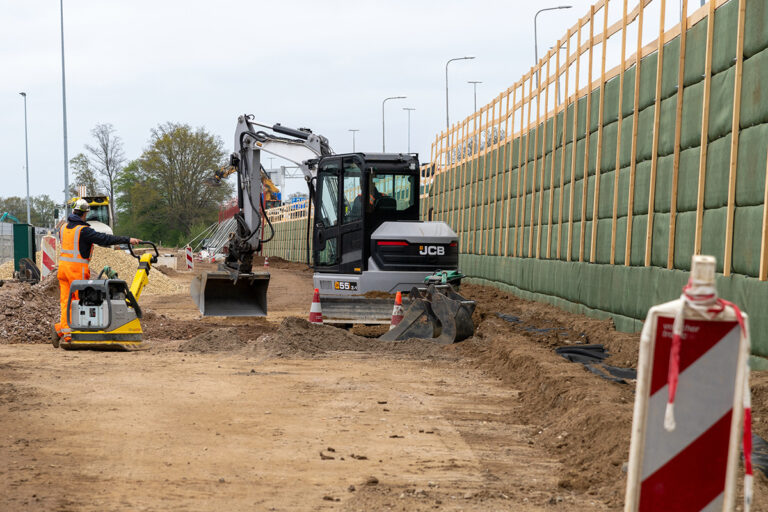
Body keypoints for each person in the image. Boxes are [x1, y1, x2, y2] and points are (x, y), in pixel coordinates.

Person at [52, 198, 140, 347]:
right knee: (81, 303)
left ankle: (64, 333)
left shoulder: (63, 228)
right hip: (76, 271)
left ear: (73, 211)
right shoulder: (83, 230)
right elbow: (104, 239)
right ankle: (72, 333)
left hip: (62, 270)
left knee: (66, 302)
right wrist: (127, 239)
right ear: (85, 214)